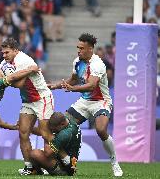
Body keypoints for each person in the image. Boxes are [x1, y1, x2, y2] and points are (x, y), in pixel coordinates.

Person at [48, 33, 123, 177]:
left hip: (101, 101)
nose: (79, 50)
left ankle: (114, 162)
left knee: (101, 130)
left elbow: (91, 85)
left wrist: (72, 89)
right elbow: (73, 79)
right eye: (78, 47)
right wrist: (55, 85)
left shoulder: (98, 64)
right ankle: (62, 163)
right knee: (61, 126)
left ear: (90, 49)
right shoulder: (77, 61)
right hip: (85, 101)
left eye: (82, 48)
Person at [0, 38, 54, 175]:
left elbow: (19, 84)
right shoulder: (6, 62)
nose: (4, 56)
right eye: (3, 53)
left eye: (7, 52)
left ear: (15, 50)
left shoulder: (24, 60)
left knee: (46, 134)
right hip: (28, 101)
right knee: (23, 132)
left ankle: (54, 164)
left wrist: (3, 80)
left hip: (42, 98)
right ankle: (30, 167)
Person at [30, 112, 81, 176]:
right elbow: (43, 132)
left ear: (62, 124)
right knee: (53, 148)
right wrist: (28, 128)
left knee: (35, 154)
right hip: (67, 160)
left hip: (67, 167)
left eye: (54, 130)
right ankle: (39, 171)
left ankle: (61, 172)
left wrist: (46, 137)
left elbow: (47, 152)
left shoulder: (64, 134)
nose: (53, 131)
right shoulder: (69, 122)